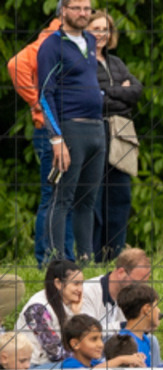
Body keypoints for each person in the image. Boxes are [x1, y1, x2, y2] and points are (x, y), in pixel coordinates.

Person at [37, 0, 106, 261]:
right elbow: (45, 94)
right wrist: (56, 138)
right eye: (76, 8)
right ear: (62, 10)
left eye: (87, 8)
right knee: (61, 199)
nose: (83, 13)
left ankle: (85, 261)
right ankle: (57, 262)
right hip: (69, 130)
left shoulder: (90, 41)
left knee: (87, 201)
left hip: (97, 130)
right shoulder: (51, 45)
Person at [7, 15, 74, 264]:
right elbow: (15, 64)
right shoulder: (53, 37)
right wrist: (37, 103)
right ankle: (47, 258)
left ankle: (65, 256)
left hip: (67, 129)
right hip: (50, 132)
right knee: (53, 195)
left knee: (64, 196)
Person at [87, 10, 142, 262]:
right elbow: (91, 99)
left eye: (105, 29)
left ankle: (115, 257)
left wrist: (109, 93)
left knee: (121, 197)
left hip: (121, 137)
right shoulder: (80, 62)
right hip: (95, 133)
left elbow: (137, 90)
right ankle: (94, 257)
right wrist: (120, 91)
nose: (101, 34)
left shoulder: (117, 63)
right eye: (96, 29)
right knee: (94, 198)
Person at [16, 259, 82, 370]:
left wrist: (75, 315)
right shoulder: (37, 309)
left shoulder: (68, 305)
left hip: (52, 367)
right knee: (81, 368)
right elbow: (56, 353)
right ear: (58, 283)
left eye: (82, 284)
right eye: (76, 283)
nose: (80, 289)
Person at [116, 283, 163, 370]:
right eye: (156, 306)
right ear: (147, 309)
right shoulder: (124, 342)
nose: (159, 310)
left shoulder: (146, 340)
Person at [80, 247, 151, 337]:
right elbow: (87, 333)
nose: (140, 288)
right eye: (136, 282)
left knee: (150, 338)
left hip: (116, 345)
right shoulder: (87, 291)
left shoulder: (129, 294)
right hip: (91, 345)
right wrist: (123, 326)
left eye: (144, 284)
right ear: (121, 272)